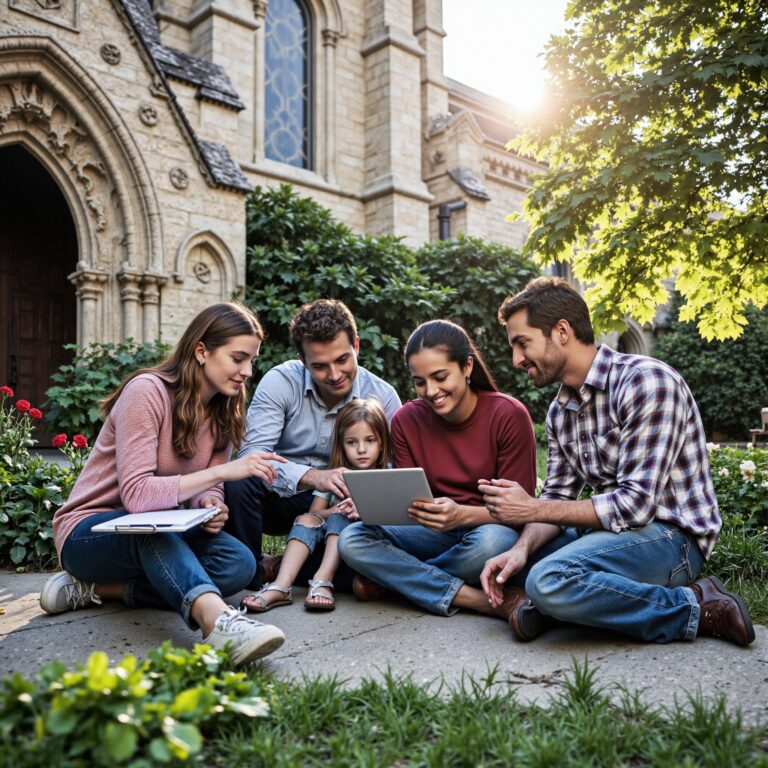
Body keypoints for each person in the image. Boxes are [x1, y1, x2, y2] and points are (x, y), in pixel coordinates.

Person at [480, 277, 755, 646]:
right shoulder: (560, 412)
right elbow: (557, 499)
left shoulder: (647, 382)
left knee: (546, 581)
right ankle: (562, 604)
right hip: (609, 534)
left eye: (522, 343)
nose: (516, 360)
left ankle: (696, 606)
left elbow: (635, 506)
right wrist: (520, 549)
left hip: (670, 537)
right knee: (507, 563)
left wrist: (531, 507)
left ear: (562, 331)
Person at [41, 302, 289, 666]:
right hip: (88, 532)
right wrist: (222, 474)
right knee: (150, 530)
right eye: (238, 358)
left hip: (161, 529)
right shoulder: (147, 391)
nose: (247, 372)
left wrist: (210, 504)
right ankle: (218, 623)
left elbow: (208, 486)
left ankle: (102, 589)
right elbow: (138, 496)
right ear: (201, 351)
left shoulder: (225, 409)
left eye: (252, 361)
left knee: (238, 563)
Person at [338, 319, 537, 620]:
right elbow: (407, 505)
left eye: (440, 377)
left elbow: (518, 513)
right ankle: (475, 598)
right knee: (352, 539)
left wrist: (461, 515)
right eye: (420, 382)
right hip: (429, 532)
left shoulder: (508, 415)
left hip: (485, 530)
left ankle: (392, 582)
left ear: (467, 366)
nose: (431, 391)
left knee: (496, 543)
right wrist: (377, 503)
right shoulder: (405, 420)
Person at [224, 299, 400, 590]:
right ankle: (248, 574)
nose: (334, 374)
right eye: (319, 366)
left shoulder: (383, 395)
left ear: (356, 346)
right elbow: (253, 456)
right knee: (241, 481)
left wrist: (365, 499)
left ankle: (276, 568)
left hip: (343, 508)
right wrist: (313, 476)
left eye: (342, 360)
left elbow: (395, 472)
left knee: (371, 538)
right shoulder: (281, 381)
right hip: (282, 497)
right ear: (302, 360)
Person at [241, 398, 391, 613]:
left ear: (382, 442)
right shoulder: (335, 476)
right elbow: (316, 512)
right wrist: (335, 509)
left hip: (362, 544)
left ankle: (323, 579)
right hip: (327, 542)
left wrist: (361, 510)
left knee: (342, 517)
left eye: (370, 441)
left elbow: (391, 519)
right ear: (342, 445)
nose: (361, 449)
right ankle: (281, 585)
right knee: (308, 518)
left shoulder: (387, 477)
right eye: (352, 442)